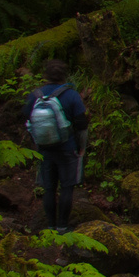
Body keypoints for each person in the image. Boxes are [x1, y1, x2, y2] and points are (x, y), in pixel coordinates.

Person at [24, 58, 89, 230]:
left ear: (45, 75)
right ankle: (62, 227)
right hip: (67, 148)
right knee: (67, 187)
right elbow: (82, 124)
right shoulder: (71, 95)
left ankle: (50, 226)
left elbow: (26, 119)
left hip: (44, 149)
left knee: (49, 188)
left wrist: (36, 144)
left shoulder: (35, 95)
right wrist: (81, 146)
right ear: (64, 76)